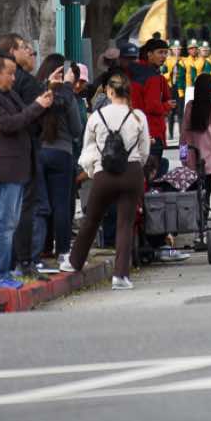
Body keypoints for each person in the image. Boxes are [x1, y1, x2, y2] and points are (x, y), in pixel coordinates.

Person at [64, 70, 150, 290]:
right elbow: (144, 151)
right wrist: (135, 166)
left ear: (109, 91)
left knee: (92, 219)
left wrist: (93, 170)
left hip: (104, 173)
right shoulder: (138, 116)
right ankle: (120, 275)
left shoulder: (97, 116)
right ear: (128, 91)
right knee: (126, 224)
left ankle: (75, 262)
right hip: (132, 171)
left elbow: (88, 149)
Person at [0, 52, 55, 290]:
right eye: (9, 73)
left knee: (9, 223)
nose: (13, 78)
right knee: (1, 223)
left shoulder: (8, 93)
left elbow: (25, 116)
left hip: (18, 167)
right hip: (4, 168)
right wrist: (37, 106)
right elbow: (10, 124)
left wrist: (43, 99)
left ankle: (4, 271)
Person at [32, 54, 86, 269]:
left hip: (38, 152)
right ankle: (62, 252)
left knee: (40, 204)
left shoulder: (36, 91)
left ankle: (41, 249)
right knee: (61, 205)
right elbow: (77, 129)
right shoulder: (67, 96)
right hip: (62, 153)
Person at [179, 73, 211, 209]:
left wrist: (183, 157)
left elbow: (183, 135)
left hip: (192, 158)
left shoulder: (190, 107)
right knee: (206, 194)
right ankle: (204, 216)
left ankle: (195, 217)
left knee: (194, 193)